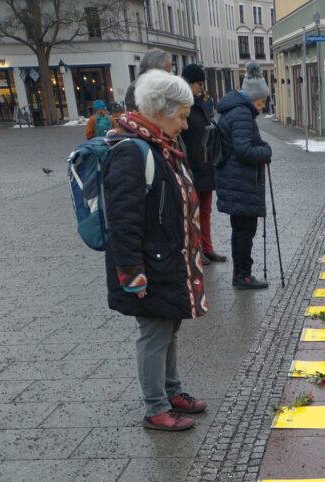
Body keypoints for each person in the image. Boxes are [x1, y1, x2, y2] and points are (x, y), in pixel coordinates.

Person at [104, 70, 209, 431]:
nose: (185, 124)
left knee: (169, 326)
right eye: (181, 116)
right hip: (149, 265)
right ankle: (155, 408)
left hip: (168, 262)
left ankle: (171, 391)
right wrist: (132, 273)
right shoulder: (132, 152)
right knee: (154, 334)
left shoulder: (159, 146)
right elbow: (123, 221)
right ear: (160, 112)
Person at [215, 61, 272, 289]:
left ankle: (240, 273)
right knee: (244, 232)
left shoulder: (236, 110)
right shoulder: (241, 114)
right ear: (254, 97)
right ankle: (243, 276)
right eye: (263, 100)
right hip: (240, 183)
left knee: (240, 230)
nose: (264, 105)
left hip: (235, 183)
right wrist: (266, 151)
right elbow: (244, 150)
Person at [180, 63, 226, 266]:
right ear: (189, 83)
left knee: (205, 211)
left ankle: (207, 248)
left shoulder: (200, 104)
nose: (201, 87)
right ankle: (195, 250)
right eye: (199, 83)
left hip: (206, 165)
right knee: (192, 213)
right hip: (191, 166)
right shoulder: (182, 106)